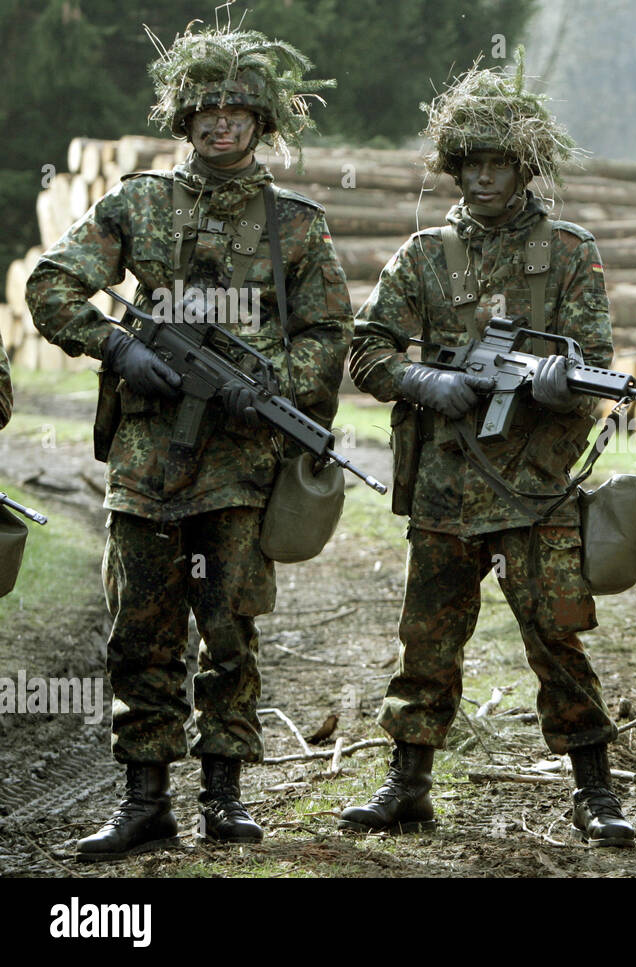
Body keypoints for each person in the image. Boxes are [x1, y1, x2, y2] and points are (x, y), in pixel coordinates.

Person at [26, 24, 351, 861]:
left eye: (238, 112)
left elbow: (329, 334)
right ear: (184, 120)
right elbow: (52, 285)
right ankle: (144, 799)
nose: (221, 127)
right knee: (139, 631)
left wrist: (269, 380)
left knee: (231, 629)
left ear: (263, 122)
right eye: (206, 112)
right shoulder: (137, 205)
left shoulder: (296, 226)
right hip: (144, 465)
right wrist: (121, 346)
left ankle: (227, 798)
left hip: (242, 469)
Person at [342, 54, 634, 847]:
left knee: (557, 633)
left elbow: (596, 361)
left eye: (498, 163)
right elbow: (364, 350)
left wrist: (555, 382)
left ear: (524, 167)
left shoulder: (570, 251)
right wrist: (423, 381)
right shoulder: (424, 256)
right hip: (445, 483)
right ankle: (408, 782)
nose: (482, 179)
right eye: (469, 164)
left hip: (536, 487)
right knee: (428, 637)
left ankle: (595, 787)